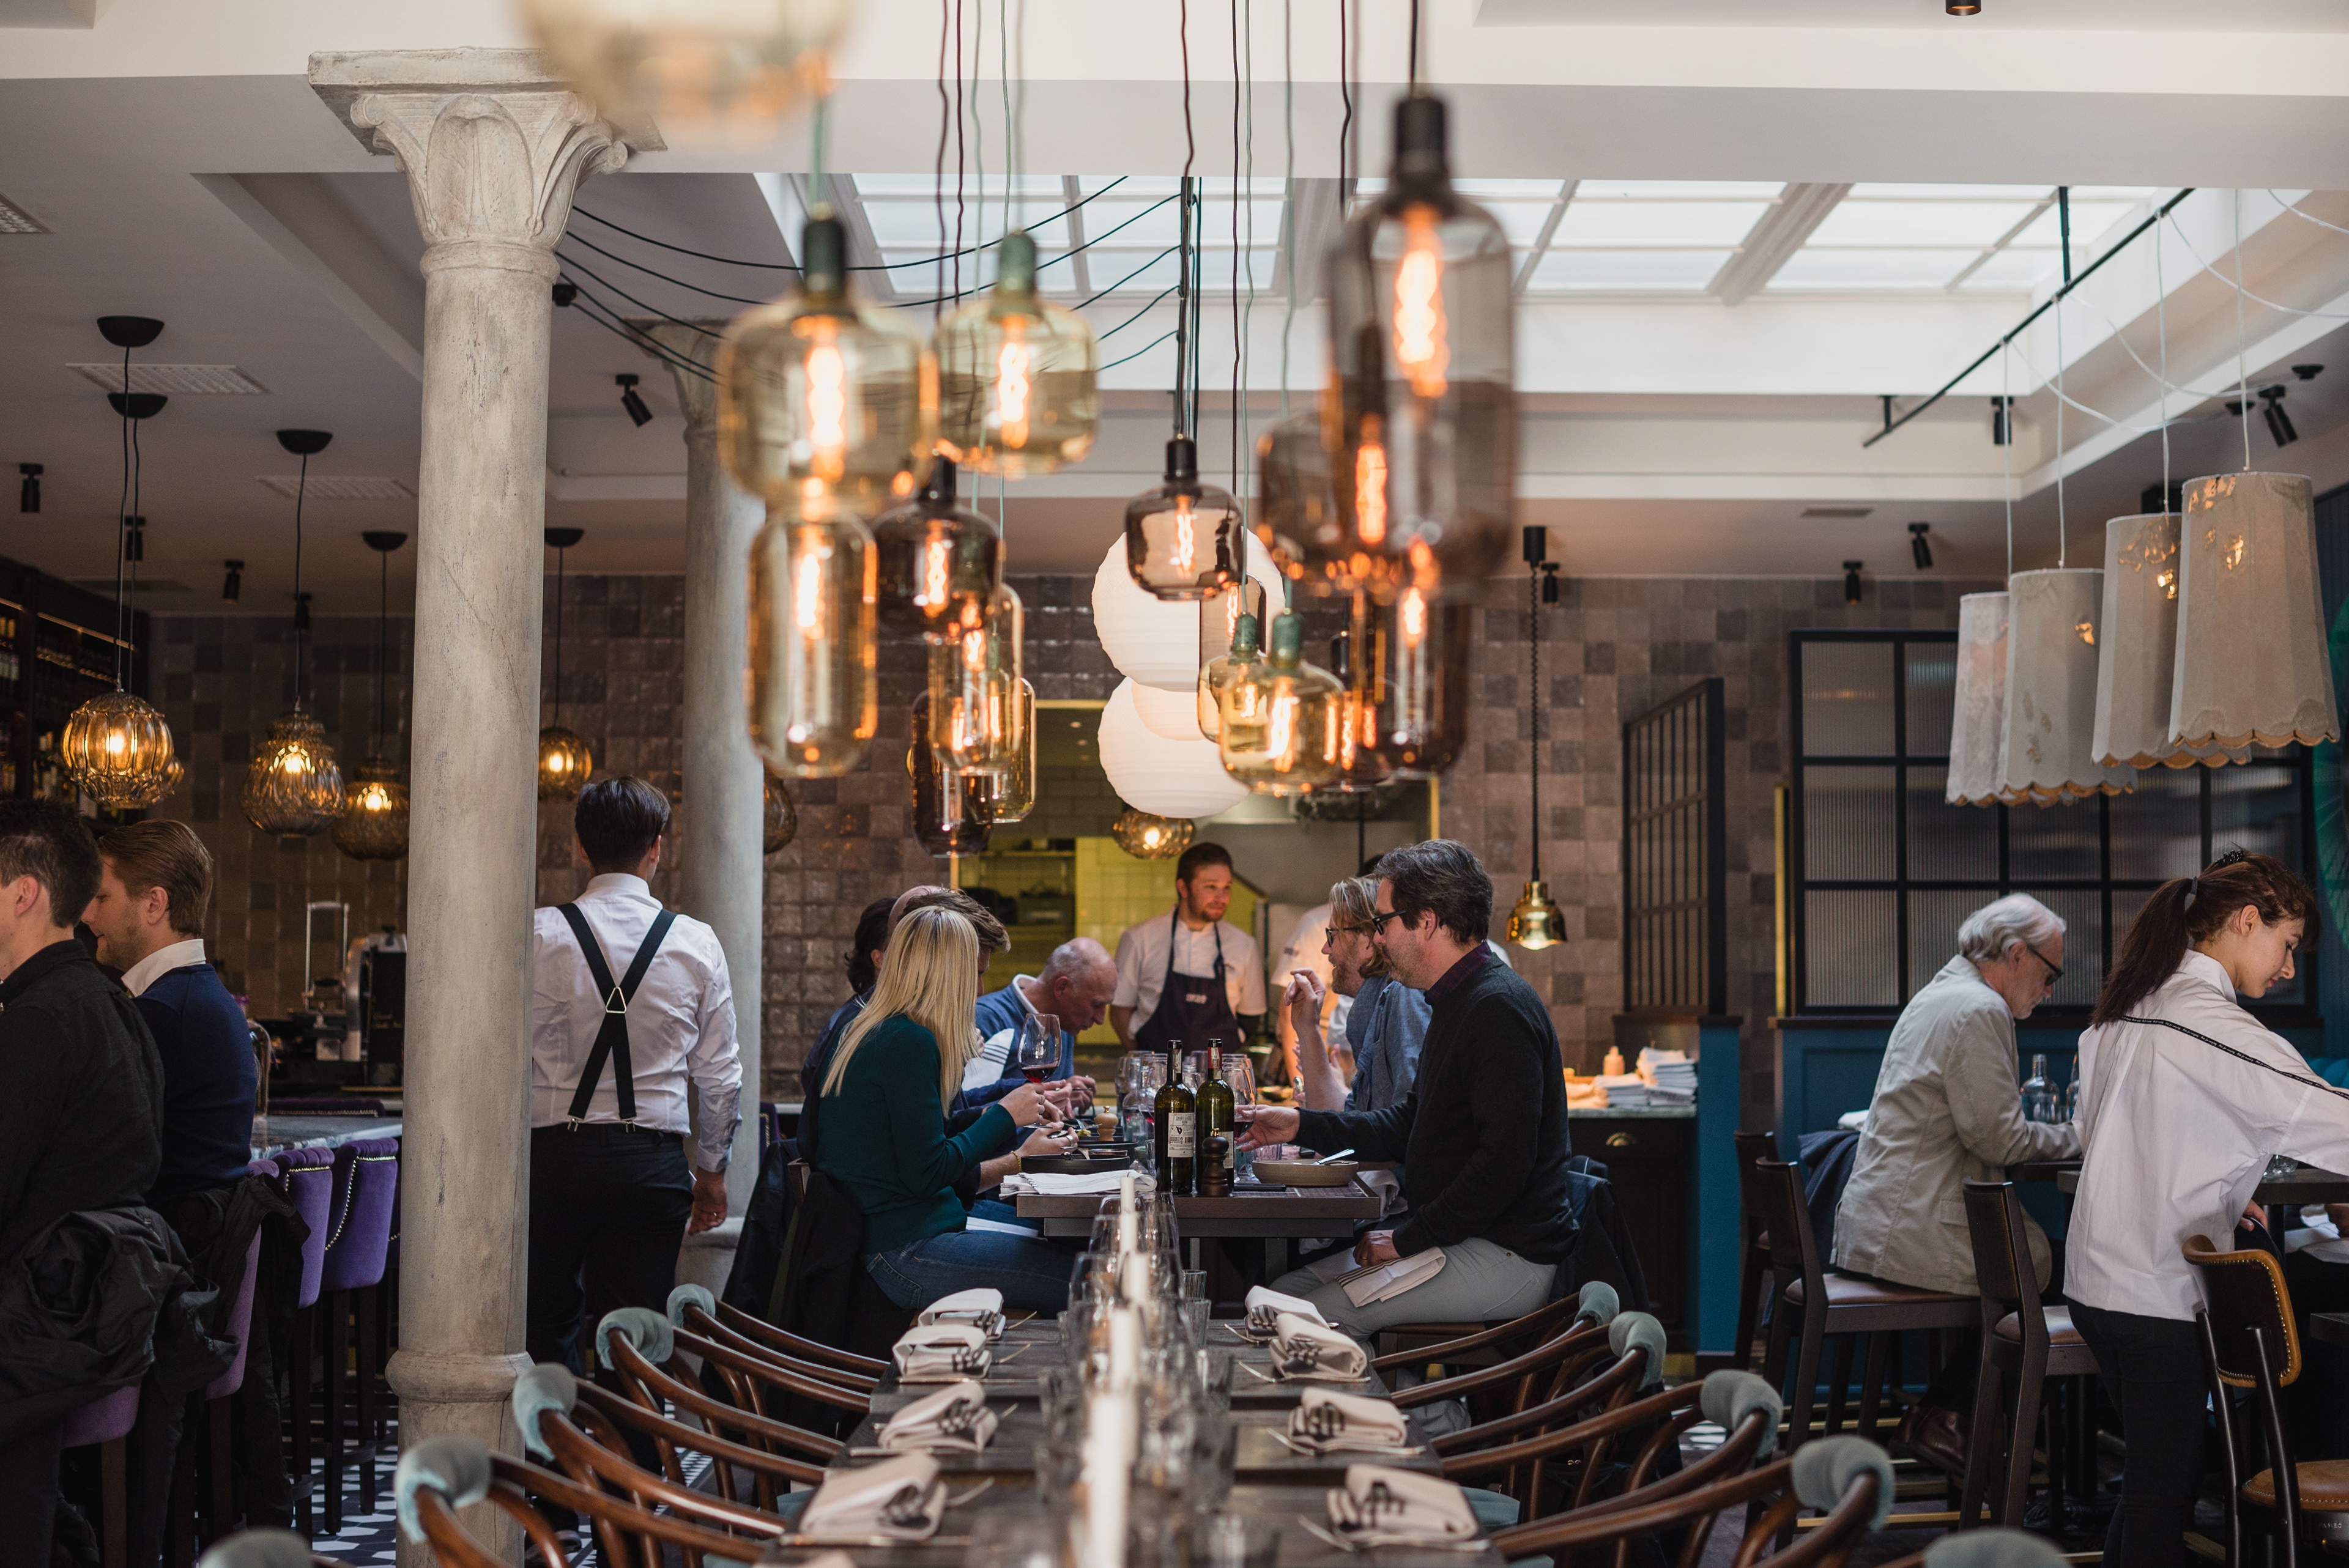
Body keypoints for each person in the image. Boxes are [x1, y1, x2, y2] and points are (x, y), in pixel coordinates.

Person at [2067, 850, 2349, 1568]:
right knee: (2162, 1497)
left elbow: (2097, 1132)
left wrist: (2224, 1175)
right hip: (2153, 1292)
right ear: (2248, 920)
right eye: (2288, 943)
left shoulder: (2129, 1005)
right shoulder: (2216, 1024)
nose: (2288, 968)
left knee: (2150, 1488)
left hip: (2096, 1287)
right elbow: (2332, 1122)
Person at [1238, 840, 1575, 1338]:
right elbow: (1408, 1124)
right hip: (1462, 1238)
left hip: (1506, 1253)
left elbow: (1503, 1164)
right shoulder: (1454, 999)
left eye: (1384, 923)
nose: (1378, 939)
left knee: (1296, 1319)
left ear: (1427, 922)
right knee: (1284, 1294)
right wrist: (1301, 1124)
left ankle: (1399, 1395)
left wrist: (1407, 1238)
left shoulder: (1496, 1008)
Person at [1830, 892, 2081, 1468]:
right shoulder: (1979, 1009)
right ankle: (1958, 1424)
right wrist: (2083, 1135)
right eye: (2051, 975)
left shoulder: (1941, 993)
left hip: (1887, 1221)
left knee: (2052, 1270)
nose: (2049, 991)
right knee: (2082, 1277)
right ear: (2017, 954)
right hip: (1915, 1229)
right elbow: (2001, 1142)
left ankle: (1951, 1418)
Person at [527, 777, 742, 1375]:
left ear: (580, 846)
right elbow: (720, 1078)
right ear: (656, 848)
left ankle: (554, 1436)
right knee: (638, 1342)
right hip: (649, 1167)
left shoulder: (538, 934)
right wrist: (712, 1172)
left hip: (550, 1163)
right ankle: (633, 1437)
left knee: (543, 1331)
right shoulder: (695, 942)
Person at [0, 802, 166, 1568]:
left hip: (41, 1326)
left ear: (23, 893)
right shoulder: (115, 1004)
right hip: (96, 1309)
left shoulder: (38, 1019)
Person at [811, 906, 1073, 1312]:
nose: (981, 989)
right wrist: (1004, 1117)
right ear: (947, 973)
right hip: (904, 1251)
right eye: (976, 973)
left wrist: (992, 1115)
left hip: (899, 1233)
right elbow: (929, 1172)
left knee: (1070, 1245)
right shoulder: (908, 1042)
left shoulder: (877, 1029)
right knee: (1087, 1276)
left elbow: (919, 1135)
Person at [84, 821, 255, 1206]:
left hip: (162, 1239)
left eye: (102, 897)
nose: (87, 915)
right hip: (196, 1236)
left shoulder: (161, 1014)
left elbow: (91, 1153)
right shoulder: (209, 998)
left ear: (154, 904)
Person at [1288, 875, 1431, 1120]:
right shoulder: (1374, 1007)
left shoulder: (1403, 997)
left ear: (1368, 941)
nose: (1326, 948)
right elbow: (1350, 1123)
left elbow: (1408, 1124)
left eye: (1333, 934)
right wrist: (1307, 1026)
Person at [1110, 841, 1266, 1059]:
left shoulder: (1243, 945)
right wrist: (1143, 1061)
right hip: (1156, 1073)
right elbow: (1119, 1010)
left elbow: (1251, 1018)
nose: (1221, 898)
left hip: (1216, 1075)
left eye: (1227, 888)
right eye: (1211, 887)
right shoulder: (1140, 938)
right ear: (1183, 888)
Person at [970, 936, 1116, 1101]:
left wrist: (1064, 1094)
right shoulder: (988, 1018)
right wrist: (1043, 1100)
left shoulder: (1063, 1023)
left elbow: (1049, 1099)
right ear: (1062, 987)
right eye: (1096, 1005)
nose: (1101, 1019)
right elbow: (965, 1108)